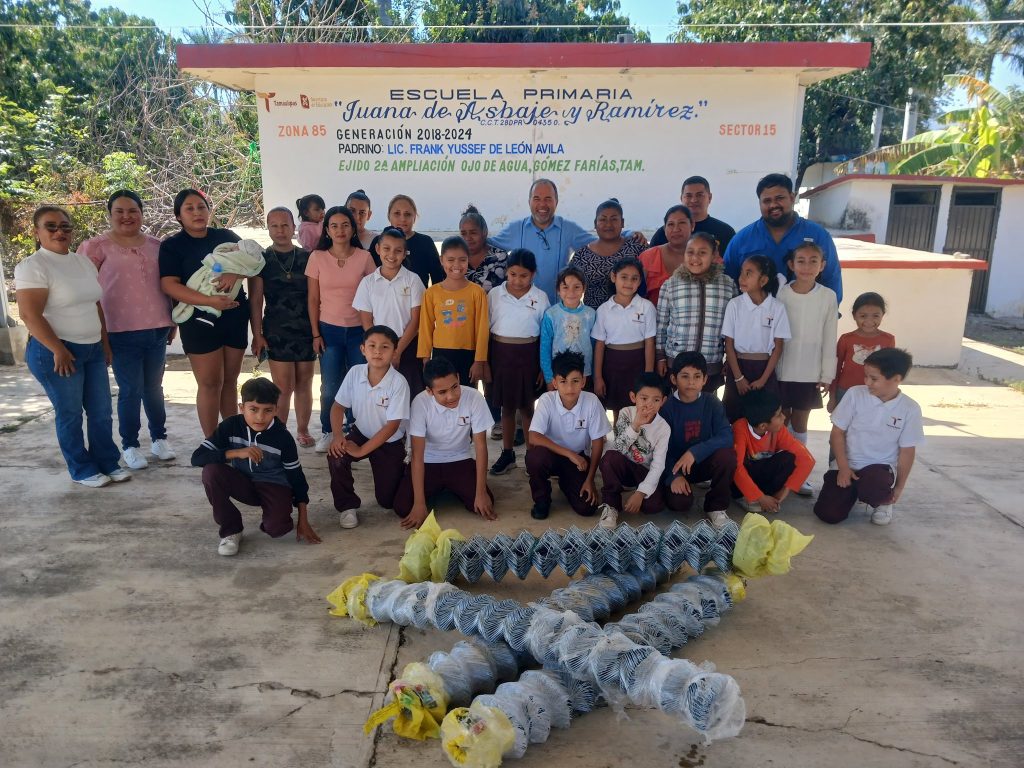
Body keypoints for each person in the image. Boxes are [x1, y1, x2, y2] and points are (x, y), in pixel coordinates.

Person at [16, 205, 130, 487]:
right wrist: (58, 349)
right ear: (37, 232)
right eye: (51, 226)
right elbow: (30, 315)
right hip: (57, 352)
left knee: (101, 411)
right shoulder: (33, 266)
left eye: (65, 226)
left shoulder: (82, 262)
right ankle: (81, 469)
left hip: (91, 348)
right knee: (69, 414)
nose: (59, 232)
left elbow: (95, 305)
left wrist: (104, 343)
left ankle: (107, 462)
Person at [79, 190, 176, 470]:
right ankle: (130, 445)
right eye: (119, 211)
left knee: (154, 388)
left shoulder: (158, 245)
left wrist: (172, 322)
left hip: (157, 327)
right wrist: (101, 335)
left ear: (141, 213)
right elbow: (87, 291)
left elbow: (167, 284)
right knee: (130, 390)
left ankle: (159, 439)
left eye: (132, 210)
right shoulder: (95, 247)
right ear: (110, 214)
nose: (126, 216)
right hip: (120, 331)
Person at [191, 377, 321, 556]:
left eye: (268, 410)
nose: (260, 417)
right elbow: (197, 458)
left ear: (276, 410)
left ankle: (272, 516)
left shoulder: (283, 438)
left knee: (278, 529)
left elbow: (297, 478)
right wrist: (236, 453)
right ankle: (231, 530)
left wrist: (303, 520)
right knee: (211, 472)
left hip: (274, 486)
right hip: (243, 484)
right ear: (241, 407)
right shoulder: (230, 426)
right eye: (253, 409)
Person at [159, 188, 245, 438]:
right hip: (198, 320)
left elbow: (254, 262)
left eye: (201, 207)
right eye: (189, 208)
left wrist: (235, 274)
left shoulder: (226, 236)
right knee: (210, 384)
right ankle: (212, 442)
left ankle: (233, 438)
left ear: (209, 210)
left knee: (230, 381)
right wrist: (208, 300)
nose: (197, 212)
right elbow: (169, 285)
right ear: (179, 216)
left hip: (234, 315)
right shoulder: (173, 246)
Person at [814, 348, 924, 526]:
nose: (867, 382)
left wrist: (898, 489)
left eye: (874, 379)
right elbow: (837, 433)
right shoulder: (855, 394)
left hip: (879, 470)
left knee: (874, 484)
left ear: (896, 379)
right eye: (866, 376)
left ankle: (882, 502)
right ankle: (853, 493)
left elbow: (907, 451)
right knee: (828, 514)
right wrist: (843, 467)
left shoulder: (910, 409)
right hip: (847, 466)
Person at [489, 179, 645, 302]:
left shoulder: (569, 229)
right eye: (537, 198)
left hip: (560, 310)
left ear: (556, 201)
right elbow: (489, 244)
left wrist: (630, 233)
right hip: (525, 310)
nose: (542, 204)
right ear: (529, 201)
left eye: (548, 199)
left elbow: (602, 240)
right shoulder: (516, 228)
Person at [393, 357, 496, 530]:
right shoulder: (420, 402)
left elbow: (480, 447)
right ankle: (439, 489)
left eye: (454, 387)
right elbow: (417, 455)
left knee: (483, 504)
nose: (451, 396)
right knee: (403, 507)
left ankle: (450, 487)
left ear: (458, 377)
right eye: (442, 392)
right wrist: (419, 503)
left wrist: (480, 492)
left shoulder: (474, 397)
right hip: (428, 461)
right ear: (429, 391)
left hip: (460, 459)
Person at [306, 205, 376, 453]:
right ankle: (329, 431)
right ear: (326, 230)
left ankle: (357, 431)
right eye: (334, 225)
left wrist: (372, 334)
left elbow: (374, 296)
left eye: (345, 224)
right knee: (331, 387)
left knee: (360, 385)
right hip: (329, 331)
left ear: (353, 227)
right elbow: (313, 300)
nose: (340, 230)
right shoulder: (317, 257)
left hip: (359, 331)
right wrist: (316, 333)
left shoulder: (365, 257)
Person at [326, 326, 410, 529]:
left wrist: (362, 450)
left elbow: (392, 426)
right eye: (372, 346)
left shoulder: (399, 383)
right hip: (361, 432)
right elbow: (338, 407)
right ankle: (347, 507)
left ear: (394, 352)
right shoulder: (355, 373)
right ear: (363, 349)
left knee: (387, 502)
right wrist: (338, 436)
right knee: (336, 456)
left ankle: (408, 467)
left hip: (389, 442)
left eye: (385, 347)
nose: (378, 351)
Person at [248, 207, 316, 447]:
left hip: (306, 329)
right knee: (283, 386)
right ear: (268, 229)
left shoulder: (307, 257)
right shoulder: (261, 261)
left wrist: (317, 331)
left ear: (294, 227)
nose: (280, 230)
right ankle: (280, 433)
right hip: (277, 330)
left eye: (285, 225)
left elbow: (314, 297)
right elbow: (255, 300)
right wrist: (257, 334)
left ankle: (303, 430)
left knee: (305, 382)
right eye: (274, 225)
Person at [776, 241, 838, 495]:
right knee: (780, 423)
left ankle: (799, 475)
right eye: (800, 260)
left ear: (822, 266)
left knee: (800, 423)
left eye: (814, 261)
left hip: (809, 372)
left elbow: (829, 336)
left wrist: (827, 375)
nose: (807, 266)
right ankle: (779, 474)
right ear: (791, 264)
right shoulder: (781, 293)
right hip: (781, 370)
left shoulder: (827, 296)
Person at [724, 173, 843, 302]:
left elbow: (831, 280)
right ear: (759, 203)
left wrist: (828, 314)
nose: (773, 205)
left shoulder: (818, 236)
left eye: (779, 198)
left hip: (803, 317)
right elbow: (728, 283)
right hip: (755, 319)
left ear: (792, 198)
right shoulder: (742, 240)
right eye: (767, 201)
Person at [525, 350, 610, 520]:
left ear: (584, 381)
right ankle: (542, 500)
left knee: (588, 508)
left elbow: (598, 443)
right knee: (535, 457)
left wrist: (590, 479)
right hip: (553, 455)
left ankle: (568, 481)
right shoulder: (546, 400)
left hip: (578, 461)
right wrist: (569, 454)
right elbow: (533, 437)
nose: (570, 388)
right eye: (563, 382)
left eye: (575, 381)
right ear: (555, 382)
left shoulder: (592, 402)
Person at [487, 249, 550, 476]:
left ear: (533, 274)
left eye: (523, 275)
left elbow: (546, 334)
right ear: (507, 272)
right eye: (513, 274)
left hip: (529, 356)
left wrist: (544, 366)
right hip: (501, 355)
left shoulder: (540, 297)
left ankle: (532, 455)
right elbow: (485, 329)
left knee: (527, 407)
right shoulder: (495, 295)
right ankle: (507, 453)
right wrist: (485, 361)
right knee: (506, 406)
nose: (517, 280)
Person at [659, 351, 736, 528]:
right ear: (673, 379)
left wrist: (695, 452)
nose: (691, 382)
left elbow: (726, 436)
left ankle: (716, 506)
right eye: (685, 376)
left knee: (727, 456)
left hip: (703, 463)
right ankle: (671, 487)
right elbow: (662, 450)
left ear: (705, 380)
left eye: (697, 376)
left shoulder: (712, 402)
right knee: (680, 505)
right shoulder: (667, 409)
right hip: (676, 465)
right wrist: (674, 477)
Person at [655, 232, 737, 390]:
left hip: (711, 362)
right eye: (690, 252)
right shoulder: (671, 284)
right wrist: (660, 357)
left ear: (714, 255)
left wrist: (730, 359)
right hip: (676, 361)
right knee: (677, 408)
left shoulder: (727, 285)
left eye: (702, 252)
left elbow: (733, 327)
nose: (695, 258)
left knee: (706, 407)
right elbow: (661, 323)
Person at [353, 225, 425, 396]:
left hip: (408, 345)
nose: (391, 255)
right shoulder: (368, 282)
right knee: (381, 394)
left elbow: (416, 321)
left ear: (405, 253)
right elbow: (366, 321)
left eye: (398, 250)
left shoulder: (413, 280)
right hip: (378, 348)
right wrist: (381, 348)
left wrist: (397, 351)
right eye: (386, 248)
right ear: (377, 249)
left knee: (409, 394)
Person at [596, 372, 671, 529]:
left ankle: (637, 490)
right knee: (609, 458)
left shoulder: (663, 428)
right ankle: (611, 506)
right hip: (624, 466)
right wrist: (635, 424)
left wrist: (641, 493)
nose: (649, 404)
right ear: (633, 397)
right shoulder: (626, 413)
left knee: (653, 507)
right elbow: (619, 447)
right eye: (643, 398)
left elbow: (658, 465)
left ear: (663, 401)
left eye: (656, 400)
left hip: (643, 471)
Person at [721, 254, 790, 423]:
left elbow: (778, 347)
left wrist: (763, 380)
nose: (741, 278)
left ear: (763, 280)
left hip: (764, 369)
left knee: (765, 417)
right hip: (738, 367)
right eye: (742, 272)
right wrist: (738, 378)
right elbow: (728, 344)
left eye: (749, 273)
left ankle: (763, 450)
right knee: (735, 415)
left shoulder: (777, 307)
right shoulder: (735, 304)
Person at [417, 236, 489, 386]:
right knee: (443, 395)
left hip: (468, 355)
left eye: (462, 260)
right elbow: (425, 327)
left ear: (468, 259)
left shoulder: (477, 292)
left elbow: (482, 329)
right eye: (450, 260)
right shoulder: (432, 293)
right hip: (440, 354)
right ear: (442, 260)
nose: (456, 265)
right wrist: (425, 358)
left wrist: (479, 360)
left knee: (466, 397)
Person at [731, 389, 814, 515]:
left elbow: (807, 459)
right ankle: (746, 497)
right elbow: (736, 468)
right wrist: (760, 498)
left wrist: (784, 491)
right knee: (732, 463)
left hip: (762, 476)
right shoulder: (739, 428)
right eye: (779, 415)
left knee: (790, 458)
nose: (784, 417)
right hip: (740, 481)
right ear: (763, 426)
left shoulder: (779, 429)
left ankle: (768, 497)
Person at [592, 257, 656, 418]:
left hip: (638, 363)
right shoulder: (604, 310)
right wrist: (598, 376)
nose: (629, 282)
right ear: (614, 277)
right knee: (617, 408)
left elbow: (649, 342)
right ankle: (619, 442)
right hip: (612, 364)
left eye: (634, 278)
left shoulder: (646, 307)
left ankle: (637, 443)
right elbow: (599, 345)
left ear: (640, 281)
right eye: (624, 277)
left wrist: (648, 374)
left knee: (639, 408)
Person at [570, 198, 645, 310]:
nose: (608, 224)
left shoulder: (637, 247)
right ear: (595, 224)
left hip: (631, 318)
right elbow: (569, 287)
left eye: (614, 219)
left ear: (622, 222)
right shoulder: (582, 255)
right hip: (594, 319)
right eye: (603, 219)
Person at [828, 292, 895, 413]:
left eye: (875, 316)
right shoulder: (846, 339)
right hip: (845, 391)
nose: (869, 321)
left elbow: (891, 371)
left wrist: (888, 396)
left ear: (882, 315)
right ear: (854, 315)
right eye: (863, 316)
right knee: (842, 428)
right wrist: (832, 397)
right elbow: (835, 369)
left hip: (876, 393)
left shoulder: (888, 339)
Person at [368, 194, 444, 288]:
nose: (402, 219)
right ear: (389, 216)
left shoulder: (425, 242)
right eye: (397, 213)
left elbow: (438, 279)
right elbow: (369, 276)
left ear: (414, 217)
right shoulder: (378, 242)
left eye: (407, 214)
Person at [539, 266, 597, 390]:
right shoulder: (551, 315)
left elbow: (595, 345)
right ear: (558, 290)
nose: (571, 292)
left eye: (576, 287)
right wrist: (549, 378)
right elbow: (545, 348)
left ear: (584, 289)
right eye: (565, 287)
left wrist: (594, 374)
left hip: (584, 374)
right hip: (559, 375)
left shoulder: (591, 314)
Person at [650, 176, 736, 254]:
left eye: (699, 195)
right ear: (681, 198)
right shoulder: (666, 233)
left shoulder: (725, 232)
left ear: (709, 198)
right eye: (688, 196)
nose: (694, 200)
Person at [639, 205, 692, 306]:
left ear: (692, 225)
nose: (676, 229)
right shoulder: (648, 257)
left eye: (682, 223)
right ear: (664, 228)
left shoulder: (704, 257)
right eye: (671, 224)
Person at [461, 204, 509, 293]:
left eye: (473, 233)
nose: (468, 238)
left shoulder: (500, 258)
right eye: (463, 233)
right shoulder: (456, 259)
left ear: (485, 232)